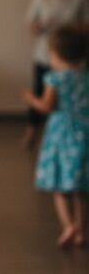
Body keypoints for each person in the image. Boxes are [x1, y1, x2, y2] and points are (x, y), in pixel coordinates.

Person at [23, 27, 89, 248]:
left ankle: (68, 225)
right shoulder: (85, 78)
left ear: (56, 54)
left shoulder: (55, 78)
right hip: (84, 133)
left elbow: (46, 106)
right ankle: (82, 232)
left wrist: (30, 97)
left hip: (62, 135)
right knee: (81, 188)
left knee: (60, 187)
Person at [23, 0, 89, 150]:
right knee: (41, 89)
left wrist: (72, 27)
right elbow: (31, 25)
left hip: (71, 51)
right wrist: (43, 25)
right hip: (46, 52)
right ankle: (31, 132)